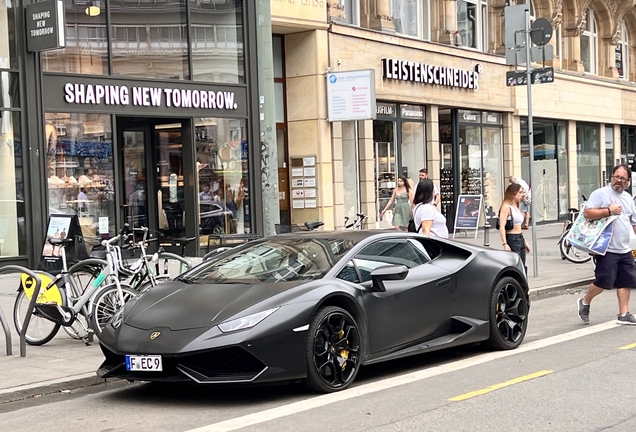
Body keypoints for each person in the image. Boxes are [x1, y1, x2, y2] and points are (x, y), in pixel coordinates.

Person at [577, 164, 636, 325]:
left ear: (628, 181)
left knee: (626, 281)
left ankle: (624, 314)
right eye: (616, 176)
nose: (618, 180)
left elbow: (634, 222)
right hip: (605, 248)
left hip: (624, 248)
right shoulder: (600, 194)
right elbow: (587, 213)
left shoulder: (628, 199)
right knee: (605, 280)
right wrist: (608, 211)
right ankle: (585, 301)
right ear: (611, 177)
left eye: (622, 178)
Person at [499, 183, 531, 269]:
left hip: (519, 237)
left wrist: (525, 241)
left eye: (522, 192)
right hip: (512, 238)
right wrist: (505, 243)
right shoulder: (506, 207)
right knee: (516, 265)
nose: (522, 195)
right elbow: (502, 226)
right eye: (520, 192)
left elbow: (519, 227)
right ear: (513, 193)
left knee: (522, 265)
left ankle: (522, 282)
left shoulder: (516, 206)